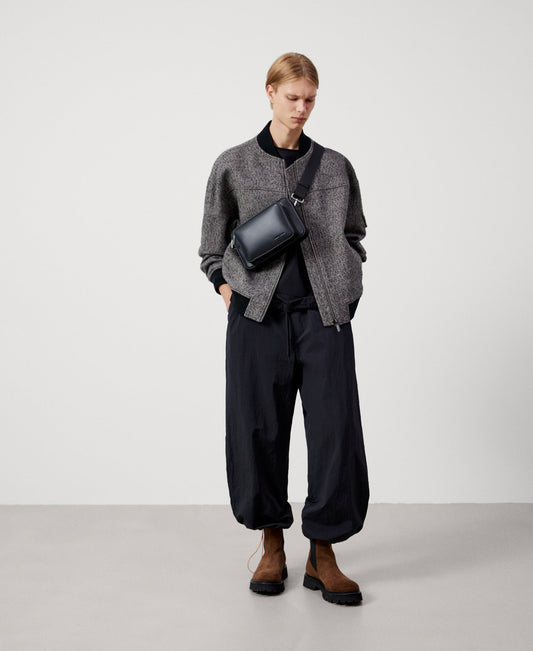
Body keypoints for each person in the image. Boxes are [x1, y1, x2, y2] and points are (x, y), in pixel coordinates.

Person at [198, 52, 370, 605]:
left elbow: (354, 235)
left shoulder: (335, 167)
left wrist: (347, 288)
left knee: (335, 433)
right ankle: (271, 544)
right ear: (269, 92)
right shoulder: (233, 164)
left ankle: (324, 552)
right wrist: (227, 290)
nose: (302, 108)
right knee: (258, 431)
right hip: (257, 319)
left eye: (310, 99)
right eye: (292, 97)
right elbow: (211, 246)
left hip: (324, 318)